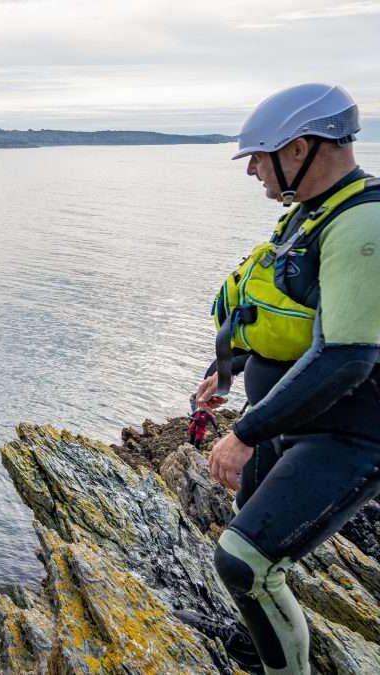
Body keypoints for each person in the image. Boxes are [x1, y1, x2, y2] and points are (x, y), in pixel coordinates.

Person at [187, 83, 380, 674]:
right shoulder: (310, 214)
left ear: (297, 149)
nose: (251, 170)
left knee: (244, 561)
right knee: (250, 539)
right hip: (292, 421)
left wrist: (245, 432)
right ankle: (263, 638)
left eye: (258, 155)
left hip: (347, 435)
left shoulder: (362, 222)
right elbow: (287, 317)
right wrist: (224, 371)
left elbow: (347, 356)